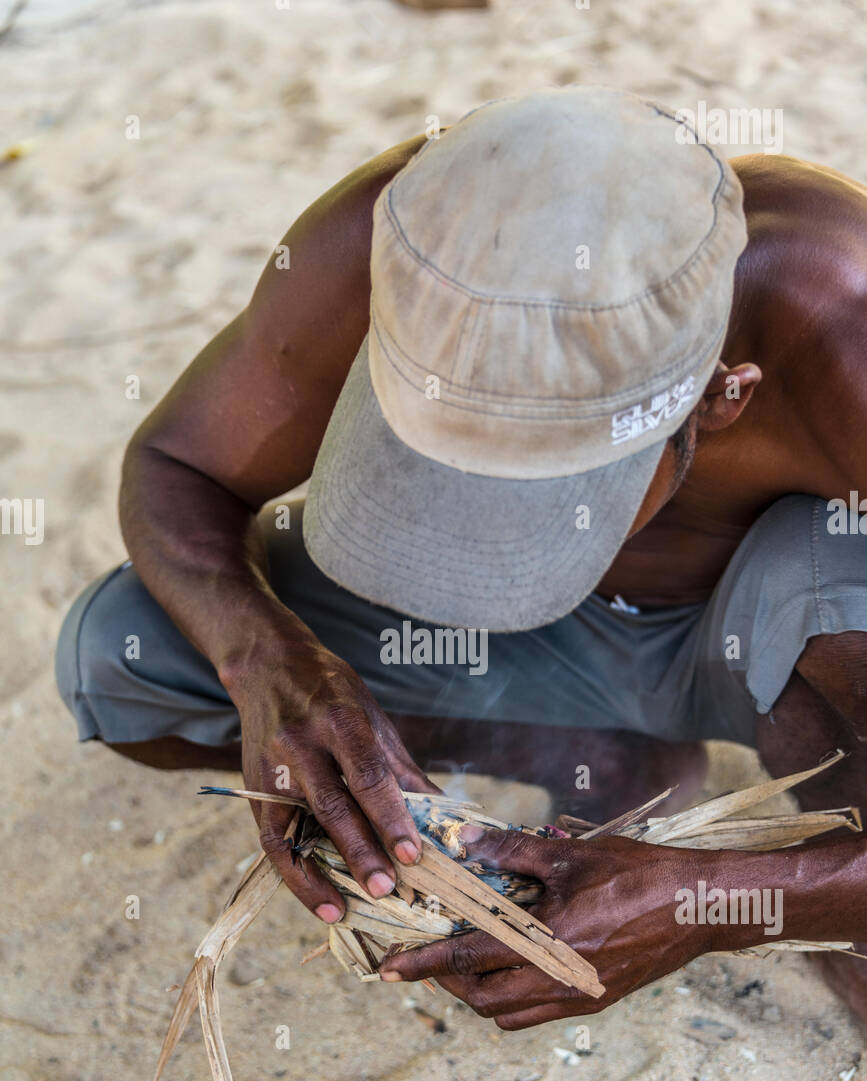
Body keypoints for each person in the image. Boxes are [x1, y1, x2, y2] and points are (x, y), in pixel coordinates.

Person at [57, 88, 867, 1030]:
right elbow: (174, 465)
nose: (494, 534)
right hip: (541, 654)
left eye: (548, 498)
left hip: (743, 642)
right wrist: (272, 669)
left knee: (837, 585)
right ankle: (608, 753)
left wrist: (706, 903)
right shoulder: (403, 237)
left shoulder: (842, 324)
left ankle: (820, 887)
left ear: (721, 399)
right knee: (124, 651)